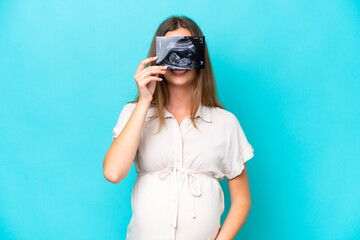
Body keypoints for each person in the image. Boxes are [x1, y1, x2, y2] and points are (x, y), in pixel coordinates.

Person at [103, 15, 254, 240]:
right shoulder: (134, 113)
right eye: (170, 50)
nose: (179, 59)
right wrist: (144, 101)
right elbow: (113, 173)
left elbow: (242, 200)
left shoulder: (225, 123)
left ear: (200, 55)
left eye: (187, 49)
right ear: (157, 57)